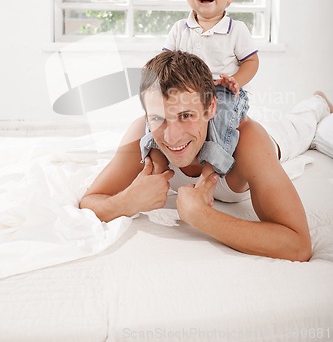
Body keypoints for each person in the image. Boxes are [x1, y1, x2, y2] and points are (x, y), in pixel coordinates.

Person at [80, 50, 332, 261]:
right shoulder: (142, 133)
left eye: (186, 116)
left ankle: (317, 103)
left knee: (302, 124)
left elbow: (298, 245)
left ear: (210, 107)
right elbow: (90, 201)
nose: (172, 137)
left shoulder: (250, 142)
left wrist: (202, 216)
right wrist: (127, 202)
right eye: (158, 118)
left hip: (276, 133)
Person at [140, 0, 259, 176]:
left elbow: (251, 61)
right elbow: (166, 60)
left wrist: (236, 81)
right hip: (184, 93)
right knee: (156, 114)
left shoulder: (236, 29)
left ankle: (211, 172)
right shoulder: (180, 28)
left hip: (221, 90)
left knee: (222, 119)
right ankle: (155, 164)